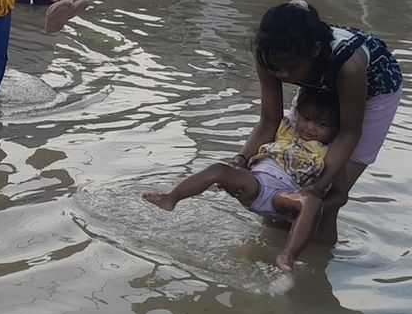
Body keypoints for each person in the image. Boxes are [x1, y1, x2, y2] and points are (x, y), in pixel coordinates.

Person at [240, 0, 403, 245]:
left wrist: (316, 188)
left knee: (328, 198)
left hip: (373, 93)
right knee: (281, 183)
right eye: (276, 68)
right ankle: (268, 252)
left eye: (290, 68)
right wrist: (241, 161)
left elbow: (349, 133)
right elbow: (269, 119)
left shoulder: (349, 65)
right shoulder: (270, 54)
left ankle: (317, 268)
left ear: (315, 50)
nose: (282, 75)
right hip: (316, 87)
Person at [143, 88, 339, 273]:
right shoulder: (286, 128)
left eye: (322, 125)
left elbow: (335, 190)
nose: (311, 127)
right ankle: (171, 198)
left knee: (310, 202)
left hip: (282, 196)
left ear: (335, 129)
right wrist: (239, 163)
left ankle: (288, 255)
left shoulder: (330, 150)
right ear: (298, 115)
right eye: (306, 118)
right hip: (255, 184)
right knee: (220, 169)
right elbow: (268, 121)